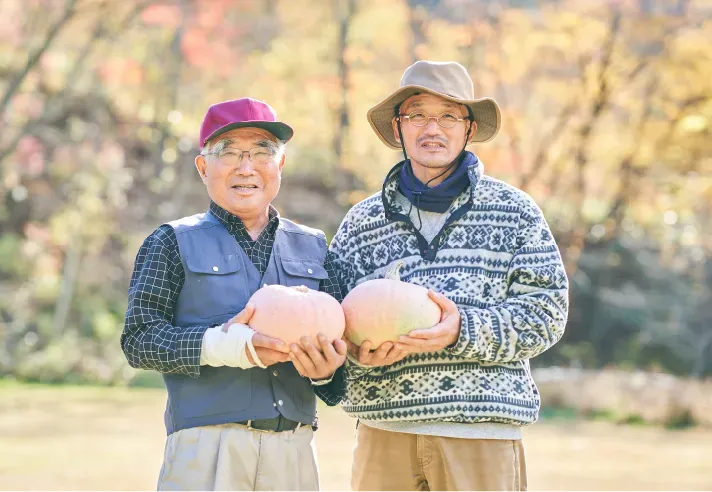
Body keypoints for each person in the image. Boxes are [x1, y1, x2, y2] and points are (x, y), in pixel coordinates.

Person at [327, 60, 569, 492]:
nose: (432, 129)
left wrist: (462, 330)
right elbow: (334, 323)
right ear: (398, 128)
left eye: (448, 116)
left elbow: (546, 314)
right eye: (417, 115)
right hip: (384, 433)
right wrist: (358, 354)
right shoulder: (361, 224)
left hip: (480, 435)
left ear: (469, 128)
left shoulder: (515, 211)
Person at [121, 97, 347, 492]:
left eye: (262, 151)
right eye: (229, 152)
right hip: (206, 451)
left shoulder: (315, 247)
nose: (247, 167)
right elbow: (139, 340)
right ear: (203, 167)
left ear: (281, 163)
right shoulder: (170, 241)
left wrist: (326, 371)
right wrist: (225, 346)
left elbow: (336, 383)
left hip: (293, 450)